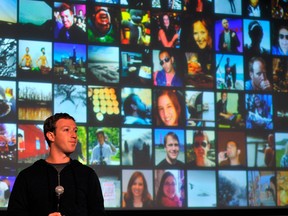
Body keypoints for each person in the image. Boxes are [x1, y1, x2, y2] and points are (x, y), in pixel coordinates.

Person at [7, 113, 106, 216]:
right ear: (51, 136)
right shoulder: (27, 176)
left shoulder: (87, 175)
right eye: (66, 130)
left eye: (75, 130)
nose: (74, 135)